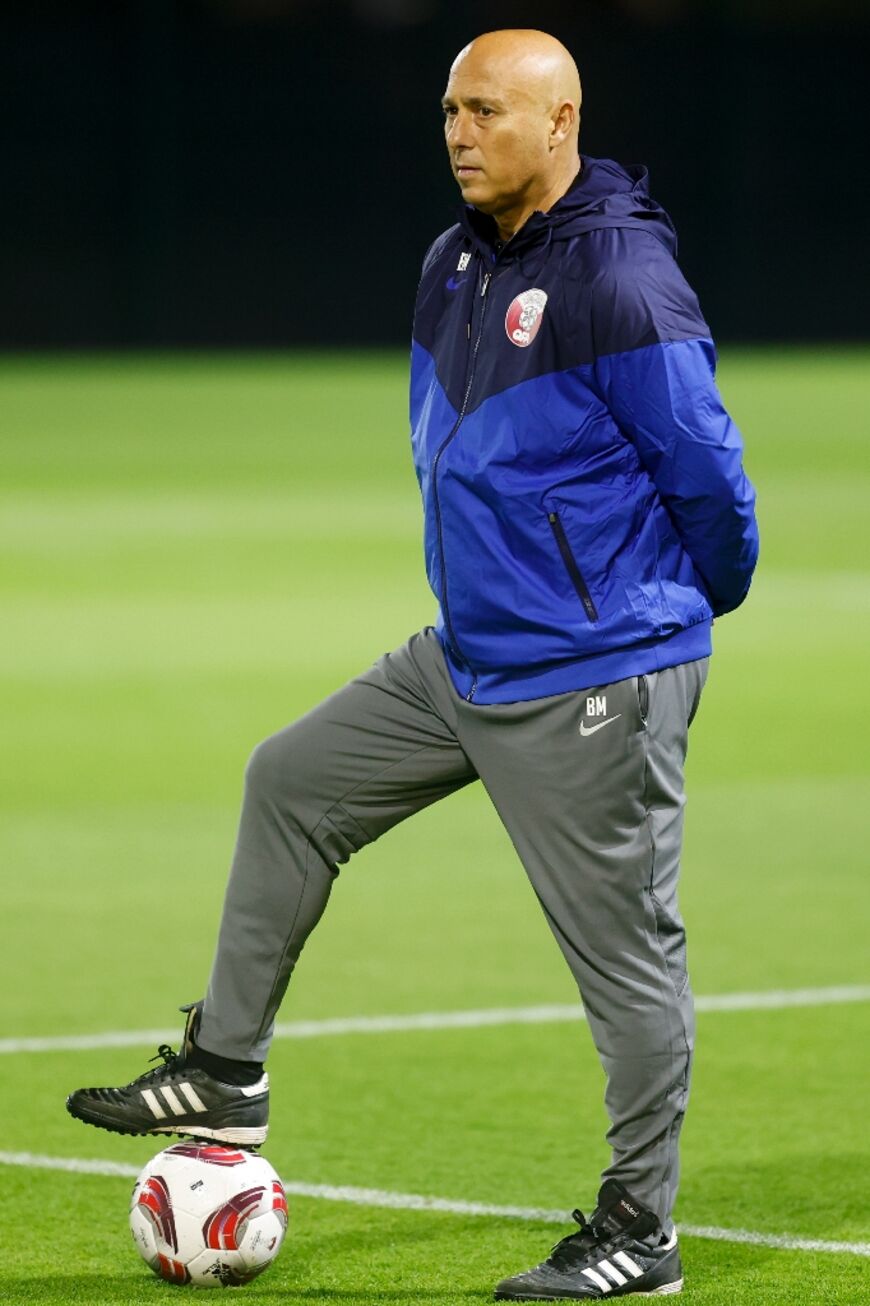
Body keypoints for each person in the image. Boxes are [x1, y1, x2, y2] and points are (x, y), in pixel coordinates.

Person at [67, 28, 758, 1301]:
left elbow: (711, 476)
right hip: (468, 658)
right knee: (291, 781)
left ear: (561, 122)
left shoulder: (621, 274)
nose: (458, 132)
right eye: (449, 110)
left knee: (624, 962)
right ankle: (225, 1069)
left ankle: (640, 1230)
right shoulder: (454, 259)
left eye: (487, 110)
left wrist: (655, 622)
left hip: (590, 673)